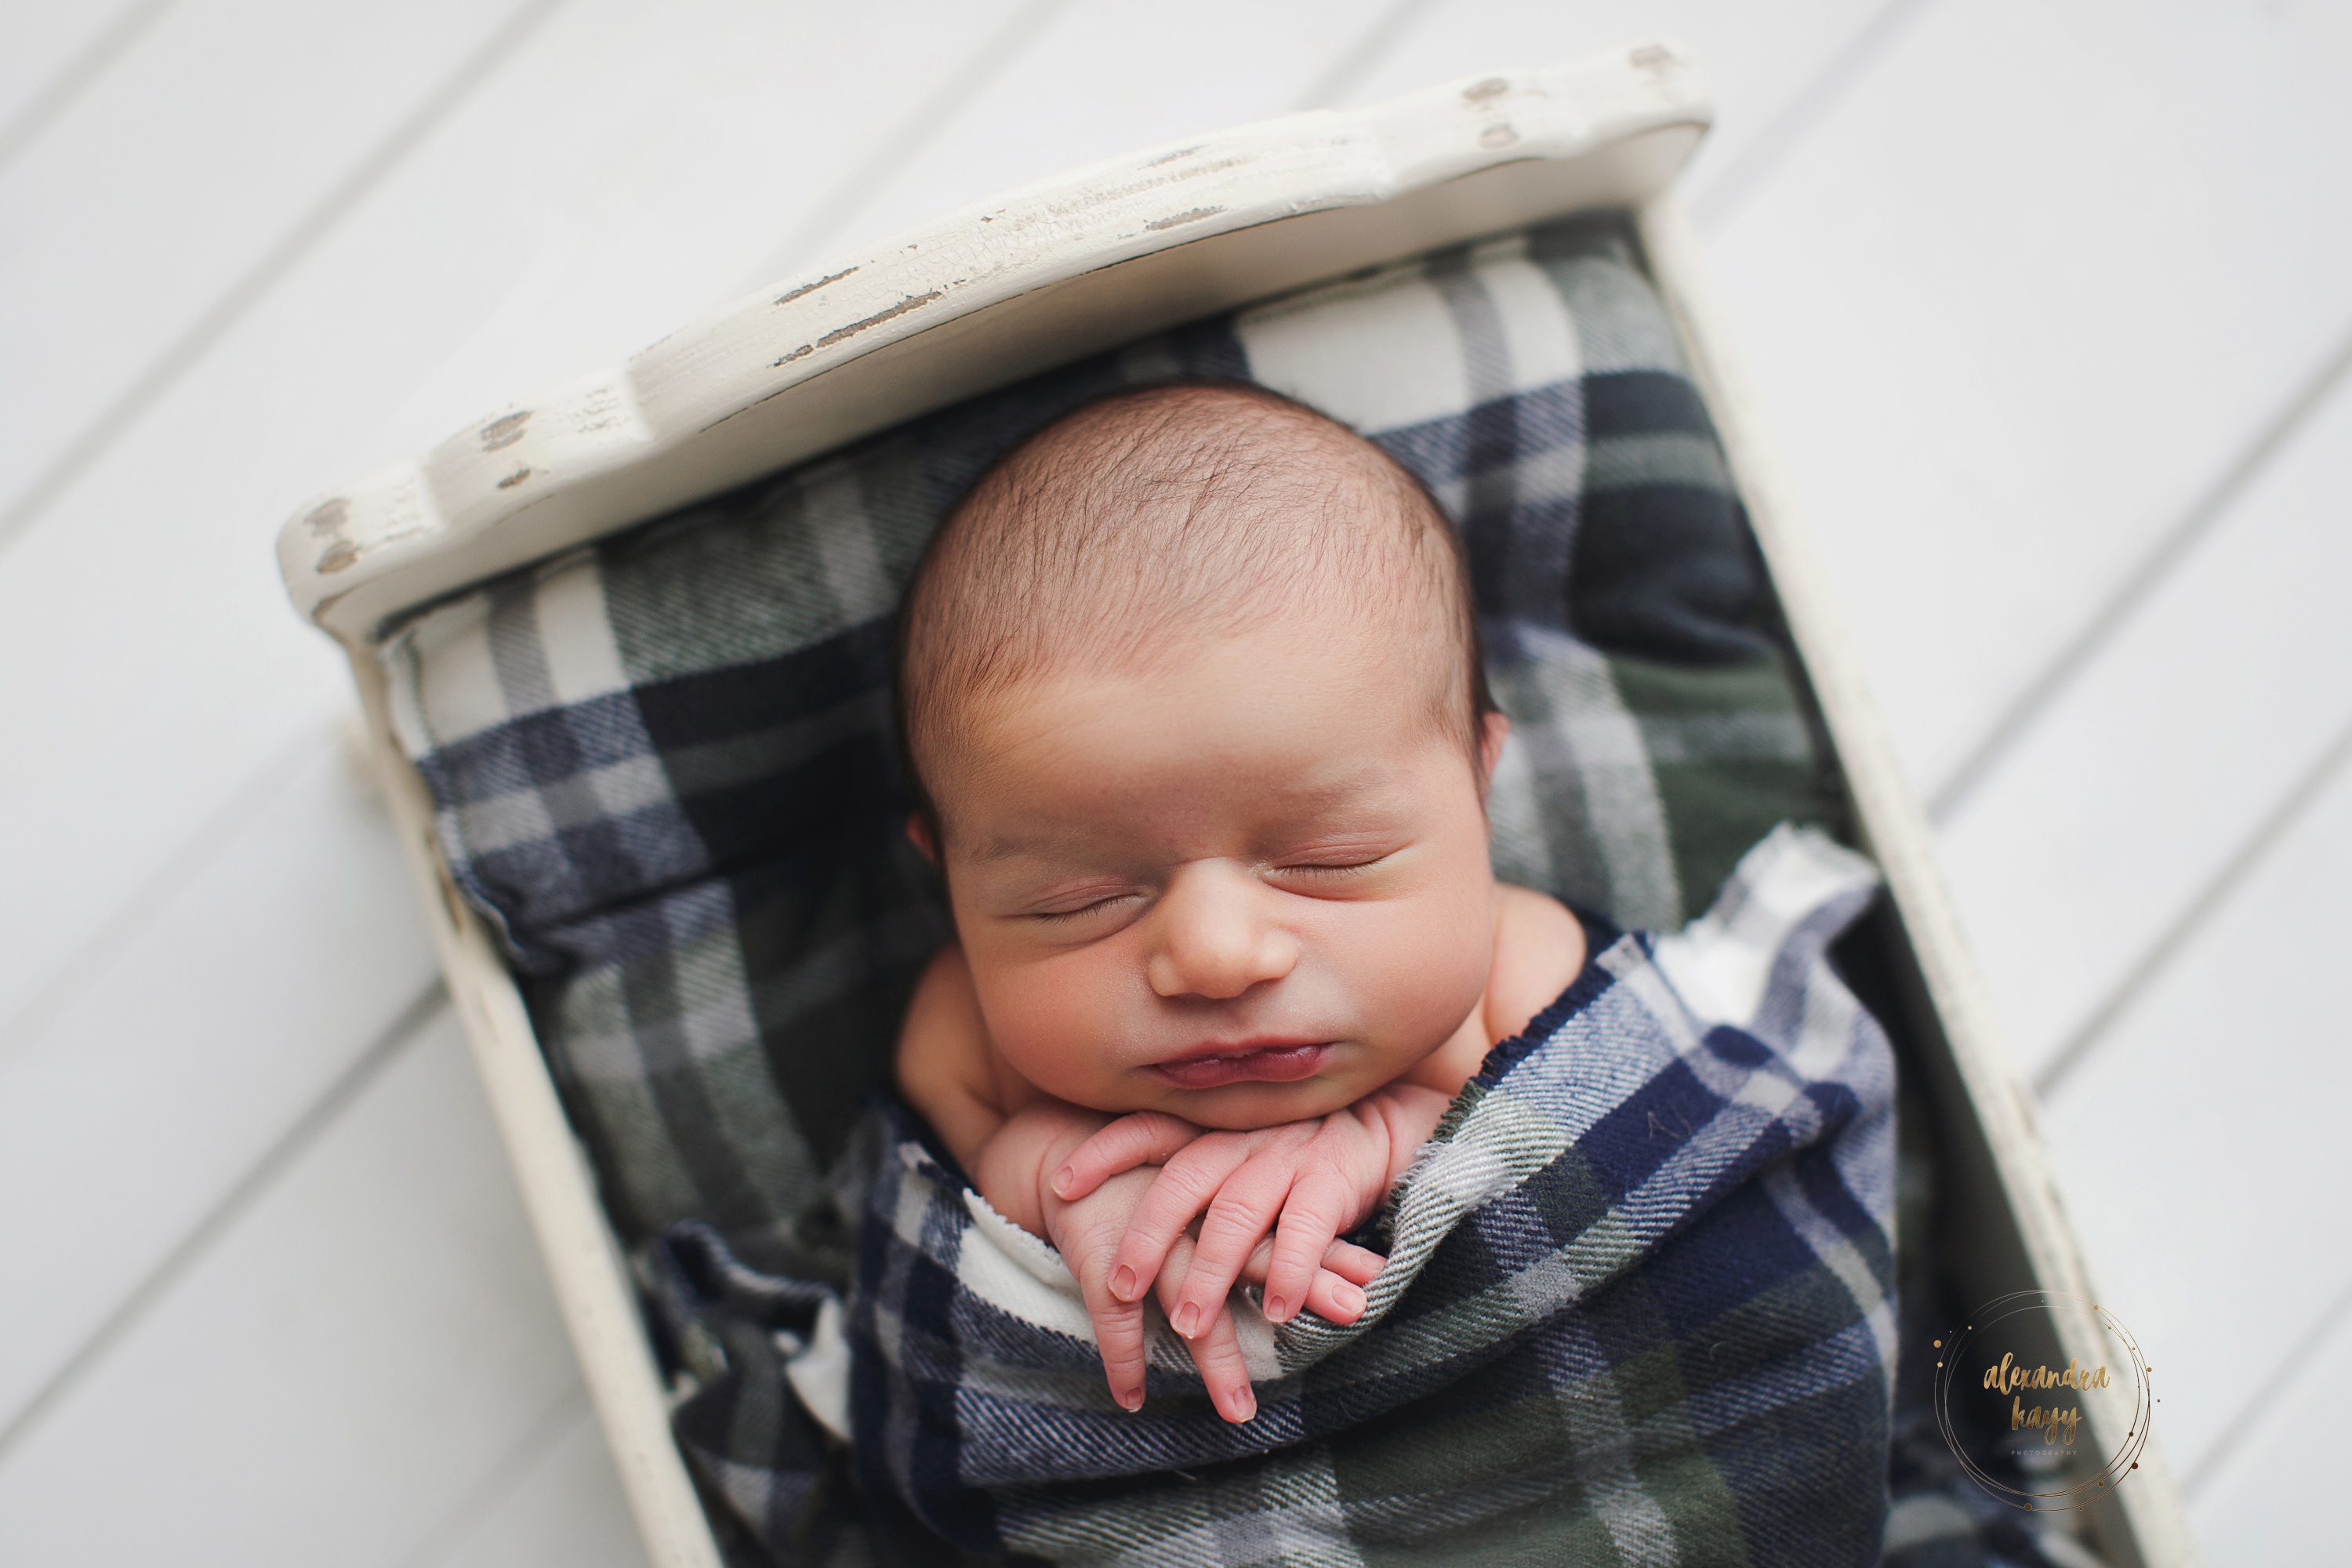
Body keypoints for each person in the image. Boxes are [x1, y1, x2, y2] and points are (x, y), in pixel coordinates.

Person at [891, 379, 1588, 1425]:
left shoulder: (1521, 967)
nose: (1218, 956)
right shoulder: (962, 1033)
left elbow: (1581, 1134)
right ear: (947, 880)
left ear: (1479, 787)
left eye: (1328, 858)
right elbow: (979, 1157)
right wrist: (1065, 1191)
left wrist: (1396, 1139)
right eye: (1078, 901)